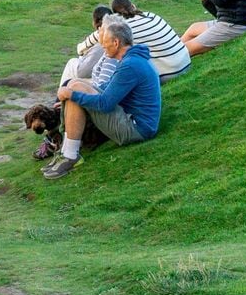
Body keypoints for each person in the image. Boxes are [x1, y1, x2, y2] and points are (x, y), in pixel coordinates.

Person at [45, 15, 160, 179]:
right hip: (135, 120)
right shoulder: (132, 59)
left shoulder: (130, 65)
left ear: (116, 42)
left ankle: (70, 155)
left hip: (137, 129)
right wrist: (73, 93)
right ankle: (66, 151)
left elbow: (105, 104)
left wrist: (72, 95)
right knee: (75, 83)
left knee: (75, 90)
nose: (102, 45)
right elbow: (109, 88)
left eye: (105, 41)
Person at [75, 0, 191, 81]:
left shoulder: (122, 28)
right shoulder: (151, 16)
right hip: (185, 63)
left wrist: (80, 50)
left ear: (115, 15)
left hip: (170, 73)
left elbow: (85, 45)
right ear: (133, 6)